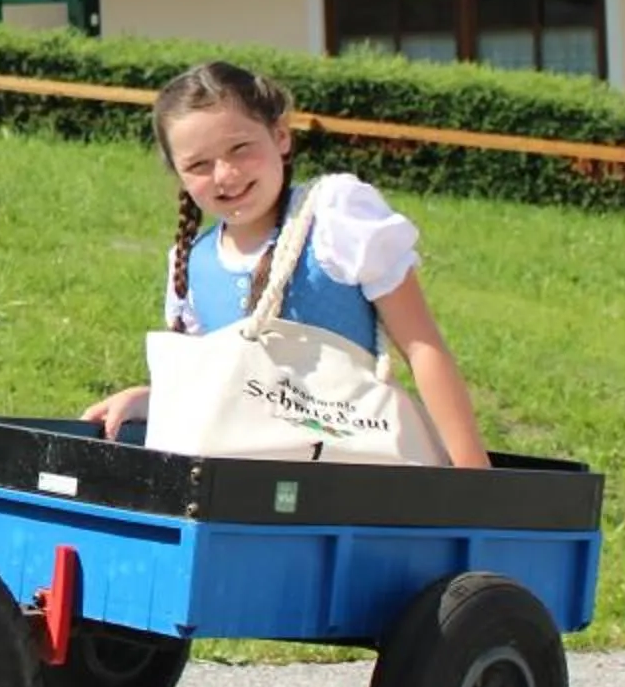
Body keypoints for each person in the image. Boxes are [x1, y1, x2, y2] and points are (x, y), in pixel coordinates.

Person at [79, 60, 491, 466]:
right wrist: (150, 398)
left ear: (280, 137)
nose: (225, 174)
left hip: (355, 473)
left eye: (240, 148)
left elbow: (423, 348)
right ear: (178, 174)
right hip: (247, 497)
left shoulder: (336, 215)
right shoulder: (191, 264)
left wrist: (474, 477)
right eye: (199, 165)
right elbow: (222, 391)